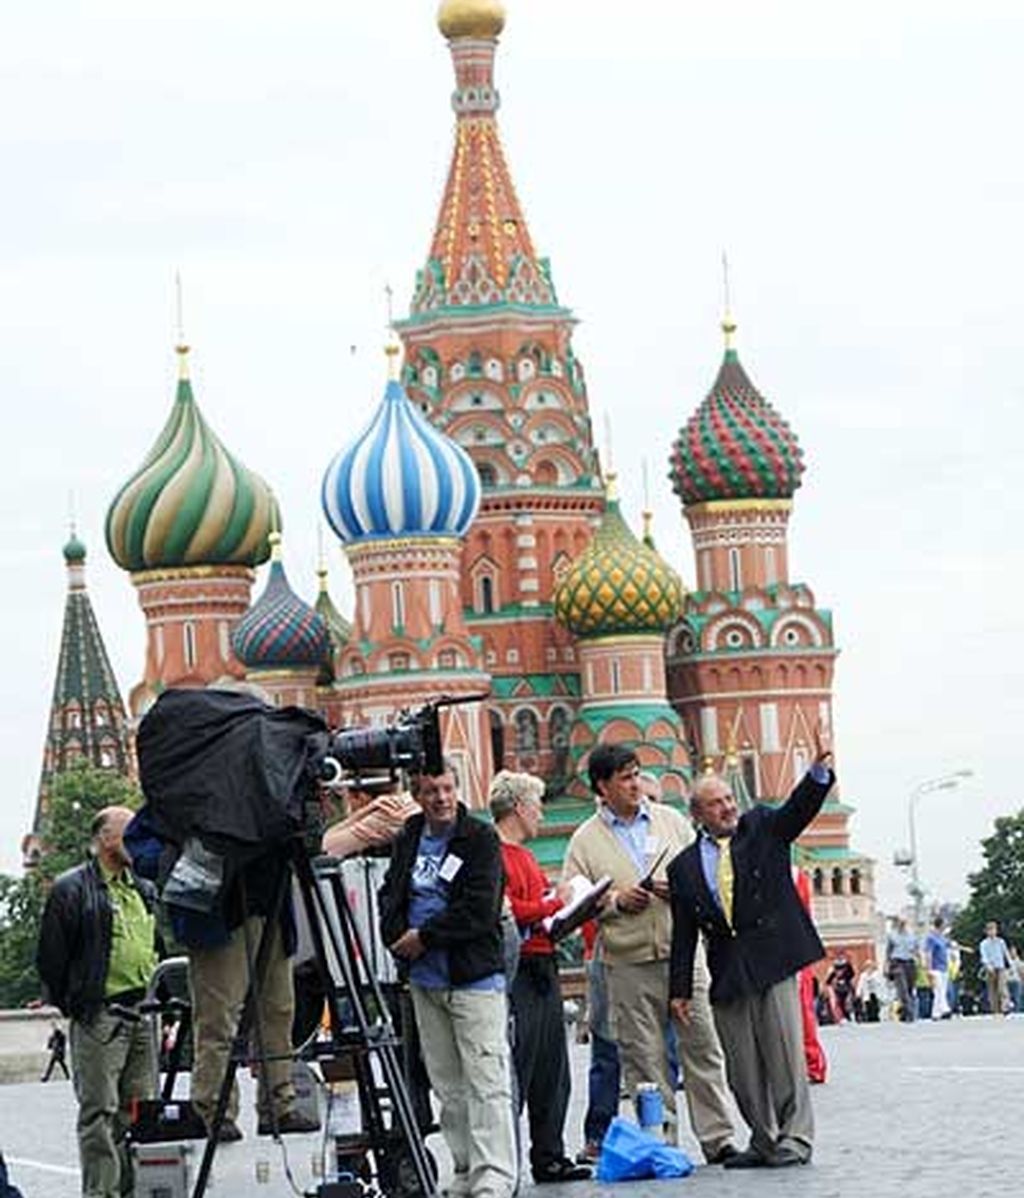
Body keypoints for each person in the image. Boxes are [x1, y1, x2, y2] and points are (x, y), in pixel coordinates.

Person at [668, 729, 835, 1169]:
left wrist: (817, 772)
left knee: (783, 1055)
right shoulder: (683, 865)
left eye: (728, 798)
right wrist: (679, 990)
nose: (727, 807)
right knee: (741, 1068)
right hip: (728, 969)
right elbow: (684, 932)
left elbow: (798, 811)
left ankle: (795, 1139)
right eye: (716, 803)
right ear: (698, 814)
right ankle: (762, 1140)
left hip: (774, 957)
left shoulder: (762, 826)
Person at [562, 744, 736, 1165]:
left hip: (683, 954)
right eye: (624, 777)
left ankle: (719, 1138)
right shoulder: (584, 840)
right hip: (627, 962)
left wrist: (680, 890)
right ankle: (660, 1142)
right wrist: (618, 901)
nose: (635, 784)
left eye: (637, 774)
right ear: (602, 787)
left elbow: (707, 870)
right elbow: (572, 898)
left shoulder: (671, 821)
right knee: (644, 1060)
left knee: (703, 1049)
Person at [380, 761, 517, 1198]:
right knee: (447, 1084)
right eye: (429, 791)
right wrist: (394, 935)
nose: (440, 798)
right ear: (416, 795)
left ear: (458, 789)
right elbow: (390, 893)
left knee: (486, 1079)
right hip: (425, 981)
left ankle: (494, 1173)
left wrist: (425, 937)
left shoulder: (478, 838)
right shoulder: (409, 837)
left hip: (472, 977)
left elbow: (479, 909)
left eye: (446, 788)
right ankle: (463, 1168)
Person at [37, 806, 159, 1198]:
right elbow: (51, 959)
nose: (138, 841)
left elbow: (156, 947)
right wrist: (76, 1005)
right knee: (99, 1112)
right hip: (100, 1015)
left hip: (143, 1014)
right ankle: (101, 1194)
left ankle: (134, 1190)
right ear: (106, 838)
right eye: (130, 833)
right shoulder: (70, 888)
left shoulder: (143, 886)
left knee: (140, 1111)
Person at [490, 770, 590, 1184]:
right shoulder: (493, 853)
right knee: (521, 1065)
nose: (542, 814)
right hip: (518, 970)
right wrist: (553, 906)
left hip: (544, 962)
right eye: (537, 805)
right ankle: (505, 1160)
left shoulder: (527, 855)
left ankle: (549, 1154)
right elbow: (507, 907)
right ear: (518, 808)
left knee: (553, 1069)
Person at [886, 918, 919, 1022]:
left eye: (904, 923)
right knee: (903, 989)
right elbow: (888, 952)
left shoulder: (912, 936)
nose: (902, 925)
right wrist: (886, 966)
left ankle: (904, 1012)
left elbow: (916, 949)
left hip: (910, 963)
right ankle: (910, 1014)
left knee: (909, 989)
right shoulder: (892, 936)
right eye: (900, 923)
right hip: (897, 963)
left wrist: (921, 962)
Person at [979, 921, 1011, 1016]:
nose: (992, 932)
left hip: (1000, 967)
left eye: (994, 929)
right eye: (990, 930)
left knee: (1002, 988)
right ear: (986, 931)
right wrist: (988, 966)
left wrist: (1010, 965)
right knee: (992, 989)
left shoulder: (1001, 942)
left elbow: (1006, 954)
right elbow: (984, 956)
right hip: (990, 968)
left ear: (996, 931)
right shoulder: (984, 943)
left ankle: (1005, 1007)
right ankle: (995, 1009)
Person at [924, 918, 952, 1020]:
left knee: (941, 991)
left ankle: (936, 1014)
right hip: (935, 968)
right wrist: (928, 969)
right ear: (940, 925)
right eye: (944, 924)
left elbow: (950, 945)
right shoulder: (931, 938)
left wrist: (963, 948)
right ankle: (945, 1009)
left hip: (944, 967)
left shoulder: (943, 938)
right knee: (938, 989)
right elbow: (928, 953)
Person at [825, 952, 855, 1023]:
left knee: (847, 1001)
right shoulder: (834, 972)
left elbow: (852, 974)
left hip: (847, 988)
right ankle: (844, 1017)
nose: (840, 971)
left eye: (841, 969)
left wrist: (848, 964)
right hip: (839, 989)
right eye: (838, 969)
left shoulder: (847, 972)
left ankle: (850, 1015)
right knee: (841, 1003)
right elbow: (828, 981)